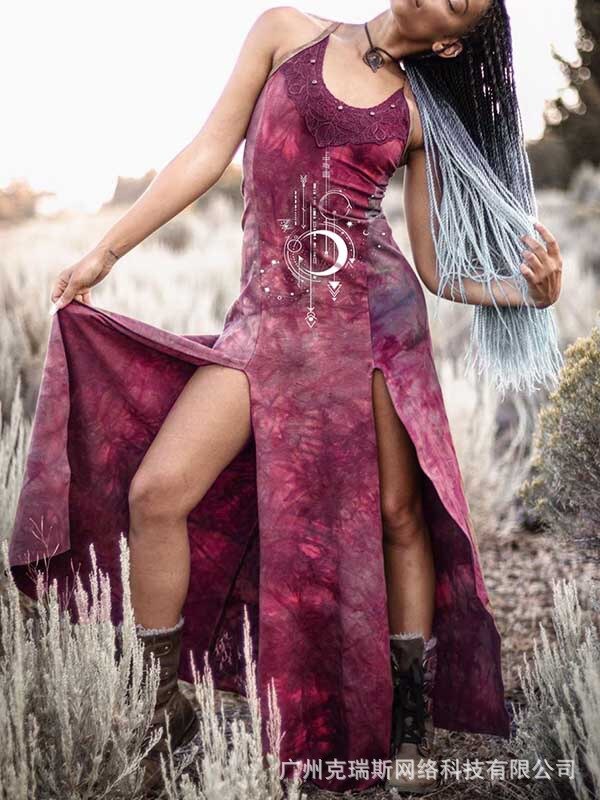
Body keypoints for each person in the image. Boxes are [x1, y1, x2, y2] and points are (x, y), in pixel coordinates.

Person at [8, 1, 563, 796]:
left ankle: (404, 716)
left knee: (399, 516)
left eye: (458, 0)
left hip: (373, 327)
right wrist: (107, 251)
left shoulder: (419, 114)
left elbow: (437, 269)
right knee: (158, 492)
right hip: (268, 326)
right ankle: (163, 706)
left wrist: (528, 293)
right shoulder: (284, 32)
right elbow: (208, 152)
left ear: (450, 41)